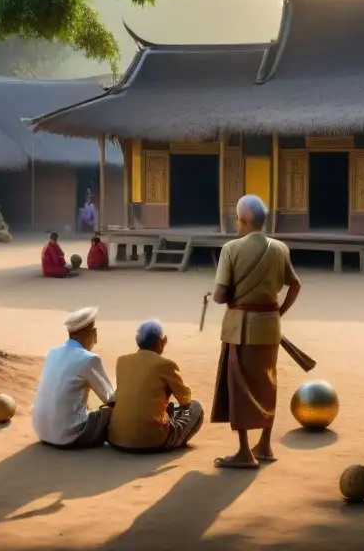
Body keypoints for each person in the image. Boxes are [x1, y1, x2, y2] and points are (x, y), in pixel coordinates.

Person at [210, 194, 302, 469]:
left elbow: (219, 295)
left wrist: (219, 293)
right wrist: (278, 312)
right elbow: (295, 285)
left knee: (240, 388)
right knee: (267, 383)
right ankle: (264, 443)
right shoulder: (280, 248)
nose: (236, 224)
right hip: (270, 326)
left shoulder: (230, 249)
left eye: (237, 219)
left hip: (241, 328)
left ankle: (244, 452)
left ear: (245, 220)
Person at [108, 319, 204, 452]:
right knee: (195, 407)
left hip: (117, 439)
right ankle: (171, 440)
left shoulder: (122, 361)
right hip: (151, 441)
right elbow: (185, 399)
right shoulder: (165, 364)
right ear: (161, 341)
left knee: (167, 408)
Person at [31, 306, 115, 448]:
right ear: (94, 333)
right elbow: (110, 398)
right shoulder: (89, 359)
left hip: (42, 432)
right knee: (110, 411)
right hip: (68, 436)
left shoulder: (53, 352)